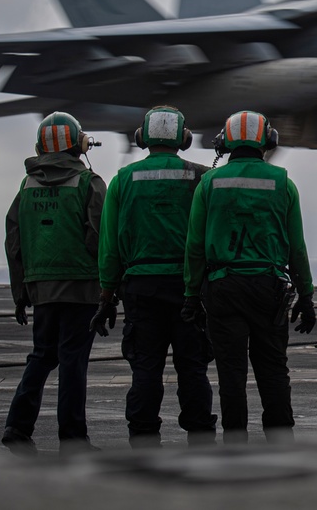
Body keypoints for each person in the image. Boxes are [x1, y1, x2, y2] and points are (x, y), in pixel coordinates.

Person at [182, 110, 315, 443]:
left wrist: (190, 295)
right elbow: (296, 247)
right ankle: (281, 443)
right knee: (273, 371)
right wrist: (307, 295)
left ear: (223, 143)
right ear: (269, 140)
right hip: (269, 288)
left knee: (231, 374)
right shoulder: (283, 182)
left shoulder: (209, 183)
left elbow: (195, 246)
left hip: (223, 287)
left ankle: (235, 446)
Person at [92, 106, 217, 448]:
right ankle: (201, 435)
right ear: (185, 139)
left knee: (145, 368)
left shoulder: (122, 180)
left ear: (142, 138)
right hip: (190, 289)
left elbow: (110, 246)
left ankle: (144, 436)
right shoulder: (202, 177)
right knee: (193, 367)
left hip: (140, 288)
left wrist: (106, 296)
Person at [2, 112, 107, 456]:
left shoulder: (26, 186)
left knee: (42, 356)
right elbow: (99, 240)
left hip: (41, 289)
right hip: (81, 290)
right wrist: (109, 288)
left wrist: (21, 295)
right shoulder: (89, 183)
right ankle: (73, 439)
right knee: (72, 361)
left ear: (40, 147)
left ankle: (17, 427)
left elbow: (14, 243)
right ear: (79, 144)